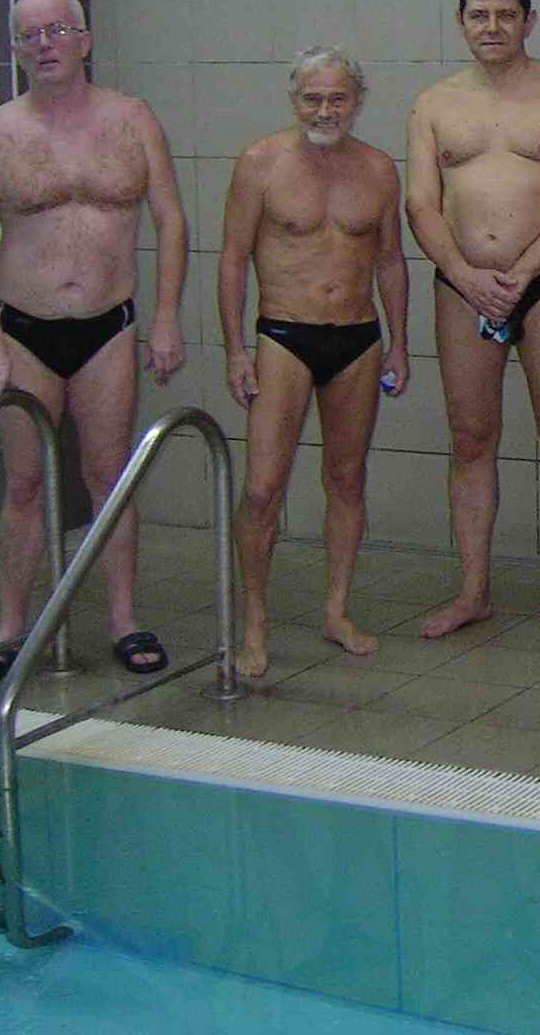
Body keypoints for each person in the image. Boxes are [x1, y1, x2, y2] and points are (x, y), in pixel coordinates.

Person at [0, 0, 188, 684]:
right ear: (16, 51)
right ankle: (9, 627)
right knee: (25, 483)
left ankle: (123, 619)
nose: (44, 45)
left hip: (107, 329)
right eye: (29, 36)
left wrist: (166, 318)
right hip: (23, 331)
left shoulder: (132, 119)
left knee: (109, 478)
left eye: (57, 30)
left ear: (85, 40)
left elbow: (171, 220)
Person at [406, 0, 540, 646]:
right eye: (479, 15)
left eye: (505, 15)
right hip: (463, 284)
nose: (492, 26)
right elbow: (421, 203)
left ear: (529, 20)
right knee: (471, 438)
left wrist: (522, 271)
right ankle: (473, 591)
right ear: (461, 22)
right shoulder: (434, 104)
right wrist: (463, 273)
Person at [217, 47, 410, 680]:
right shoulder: (260, 163)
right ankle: (254, 623)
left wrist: (400, 342)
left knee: (346, 479)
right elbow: (233, 258)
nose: (325, 110)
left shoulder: (378, 168)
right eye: (313, 99)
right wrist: (235, 349)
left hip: (358, 337)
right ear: (294, 100)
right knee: (262, 487)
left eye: (337, 98)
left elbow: (390, 260)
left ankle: (336, 610)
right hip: (284, 334)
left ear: (357, 101)